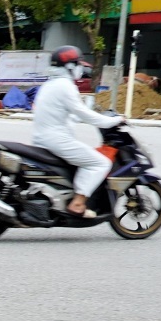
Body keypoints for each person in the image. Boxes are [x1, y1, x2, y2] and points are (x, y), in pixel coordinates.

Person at [33, 45, 123, 216]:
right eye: (77, 64)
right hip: (57, 140)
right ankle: (78, 203)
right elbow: (84, 114)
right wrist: (114, 121)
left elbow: (70, 114)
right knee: (101, 163)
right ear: (70, 66)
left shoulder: (49, 84)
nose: (80, 68)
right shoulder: (65, 86)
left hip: (43, 138)